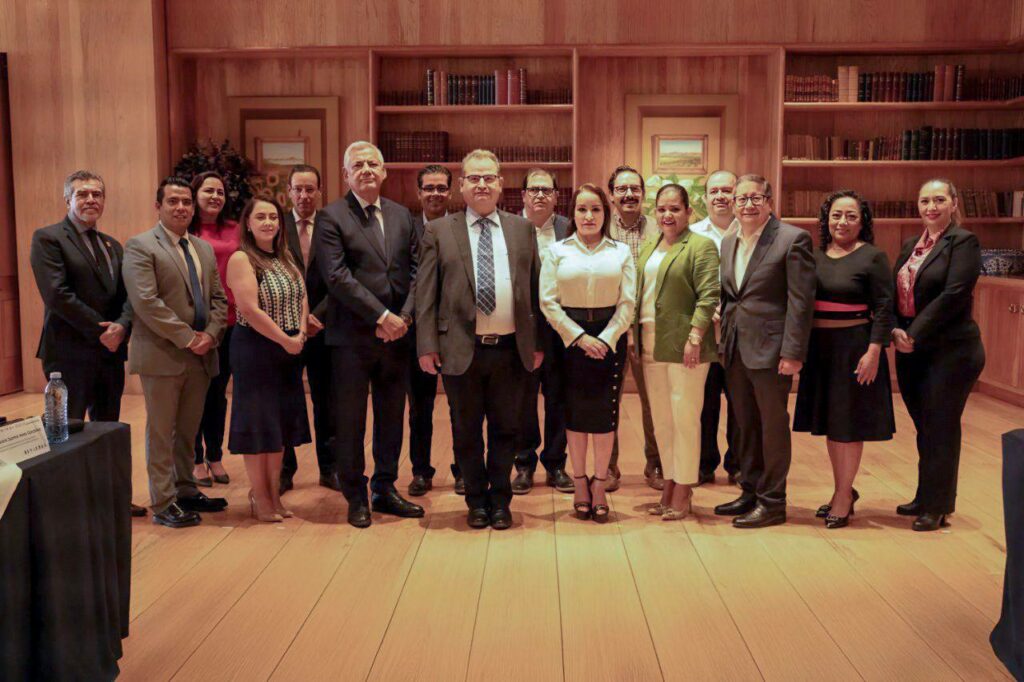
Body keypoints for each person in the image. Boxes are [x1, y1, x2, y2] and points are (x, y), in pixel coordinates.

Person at [416, 149, 543, 531]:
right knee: (466, 431)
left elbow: (535, 290)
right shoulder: (440, 231)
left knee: (507, 430)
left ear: (501, 184)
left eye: (489, 177)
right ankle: (476, 501)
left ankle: (500, 501)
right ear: (462, 185)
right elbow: (426, 293)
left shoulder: (522, 230)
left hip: (509, 350)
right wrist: (426, 345)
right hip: (460, 349)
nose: (482, 184)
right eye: (474, 178)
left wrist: (537, 343)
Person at [316, 141, 422, 528]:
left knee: (392, 417)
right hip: (352, 338)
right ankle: (355, 495)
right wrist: (381, 316)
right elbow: (336, 276)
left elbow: (417, 270)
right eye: (358, 165)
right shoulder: (331, 217)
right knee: (350, 420)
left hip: (397, 337)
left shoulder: (401, 214)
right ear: (346, 175)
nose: (366, 170)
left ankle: (385, 488)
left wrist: (403, 317)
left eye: (372, 164)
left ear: (384, 171)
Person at [29, 170, 145, 517]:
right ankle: (64, 507)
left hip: (109, 353)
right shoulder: (48, 239)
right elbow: (57, 295)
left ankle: (108, 501)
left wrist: (122, 326)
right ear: (68, 199)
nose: (91, 200)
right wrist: (102, 331)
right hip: (68, 354)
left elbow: (128, 296)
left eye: (97, 194)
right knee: (65, 432)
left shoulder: (113, 245)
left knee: (106, 429)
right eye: (82, 194)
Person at [123, 177, 229, 528]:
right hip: (162, 355)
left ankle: (185, 489)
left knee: (188, 430)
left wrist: (210, 335)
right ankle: (163, 502)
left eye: (186, 201)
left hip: (201, 354)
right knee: (162, 432)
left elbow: (218, 299)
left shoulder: (202, 248)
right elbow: (146, 302)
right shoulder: (140, 246)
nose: (181, 207)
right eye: (173, 201)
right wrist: (188, 338)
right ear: (159, 206)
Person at [715, 174, 815, 528]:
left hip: (772, 351)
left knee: (772, 426)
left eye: (755, 198)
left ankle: (773, 502)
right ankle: (750, 490)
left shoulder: (792, 239)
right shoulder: (729, 241)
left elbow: (800, 302)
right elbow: (732, 295)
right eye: (741, 199)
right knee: (744, 424)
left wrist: (793, 352)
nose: (747, 205)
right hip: (735, 348)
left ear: (769, 202)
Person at [793, 190, 895, 528]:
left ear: (862, 221)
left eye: (851, 216)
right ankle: (844, 489)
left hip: (855, 349)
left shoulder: (873, 257)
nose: (843, 222)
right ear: (826, 219)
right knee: (832, 424)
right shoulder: (815, 255)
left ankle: (842, 496)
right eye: (836, 215)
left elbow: (884, 307)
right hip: (820, 349)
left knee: (848, 425)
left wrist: (874, 351)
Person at [892, 178, 985, 532]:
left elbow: (954, 294)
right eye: (925, 200)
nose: (931, 207)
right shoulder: (910, 245)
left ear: (954, 203)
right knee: (924, 426)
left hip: (951, 350)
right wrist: (895, 330)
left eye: (939, 200)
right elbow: (897, 291)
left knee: (941, 426)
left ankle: (939, 505)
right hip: (912, 349)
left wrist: (913, 333)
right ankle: (925, 495)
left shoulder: (963, 241)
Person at [540, 183, 635, 523]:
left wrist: (607, 339)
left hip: (610, 338)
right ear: (573, 214)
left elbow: (628, 302)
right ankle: (579, 481)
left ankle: (600, 483)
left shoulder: (620, 252)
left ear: (605, 214)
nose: (589, 216)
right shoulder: (557, 251)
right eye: (582, 209)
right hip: (569, 340)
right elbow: (548, 302)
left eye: (596, 209)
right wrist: (579, 338)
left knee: (604, 416)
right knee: (575, 416)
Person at [636, 184, 720, 520]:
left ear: (688, 212)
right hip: (649, 340)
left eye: (674, 209)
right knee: (661, 420)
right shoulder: (649, 246)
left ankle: (684, 487)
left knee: (684, 418)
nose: (667, 215)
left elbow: (709, 295)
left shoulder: (701, 245)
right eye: (661, 209)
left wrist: (696, 336)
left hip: (686, 343)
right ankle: (669, 481)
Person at [226, 197, 311, 522]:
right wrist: (286, 340)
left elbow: (303, 296)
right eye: (260, 217)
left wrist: (300, 333)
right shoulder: (242, 258)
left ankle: (274, 496)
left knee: (278, 427)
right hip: (256, 350)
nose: (268, 222)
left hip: (288, 350)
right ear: (248, 224)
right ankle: (259, 497)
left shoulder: (285, 256)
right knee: (258, 426)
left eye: (273, 217)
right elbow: (249, 310)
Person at [279, 164, 342, 496]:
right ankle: (285, 469)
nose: (304, 195)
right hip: (285, 330)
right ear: (289, 191)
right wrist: (299, 319)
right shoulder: (276, 226)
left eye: (310, 189)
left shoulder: (333, 225)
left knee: (327, 402)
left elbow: (342, 276)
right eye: (298, 189)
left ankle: (329, 469)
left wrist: (317, 316)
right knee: (287, 400)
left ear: (320, 191)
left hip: (325, 327)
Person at [514, 168, 573, 495]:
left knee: (559, 398)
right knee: (522, 400)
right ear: (523, 195)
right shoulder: (509, 228)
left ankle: (556, 463)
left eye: (546, 190)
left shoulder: (569, 228)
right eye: (534, 189)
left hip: (560, 329)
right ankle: (524, 464)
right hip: (521, 330)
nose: (540, 195)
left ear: (556, 196)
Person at [407, 164, 461, 497]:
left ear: (450, 192)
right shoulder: (406, 228)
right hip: (418, 331)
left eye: (442, 187)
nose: (435, 193)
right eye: (429, 187)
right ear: (419, 193)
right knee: (420, 408)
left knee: (461, 408)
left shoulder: (460, 227)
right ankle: (421, 471)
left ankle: (463, 470)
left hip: (456, 332)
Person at [607, 165, 662, 491]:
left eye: (635, 189)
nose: (629, 194)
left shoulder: (659, 228)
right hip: (609, 328)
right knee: (607, 401)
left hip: (648, 327)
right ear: (611, 195)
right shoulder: (600, 227)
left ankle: (656, 464)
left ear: (643, 193)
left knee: (653, 401)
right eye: (622, 189)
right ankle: (608, 466)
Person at [188, 171, 240, 487]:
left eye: (220, 192)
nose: (215, 197)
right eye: (209, 191)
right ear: (195, 195)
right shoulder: (186, 230)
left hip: (231, 322)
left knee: (219, 394)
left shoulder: (235, 228)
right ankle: (195, 458)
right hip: (197, 324)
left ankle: (216, 455)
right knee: (197, 392)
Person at [689, 169, 739, 486]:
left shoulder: (751, 231)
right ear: (705, 198)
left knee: (740, 404)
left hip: (740, 335)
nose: (721, 196)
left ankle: (738, 465)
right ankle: (704, 463)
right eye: (714, 191)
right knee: (704, 403)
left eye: (727, 190)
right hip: (704, 335)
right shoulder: (692, 235)